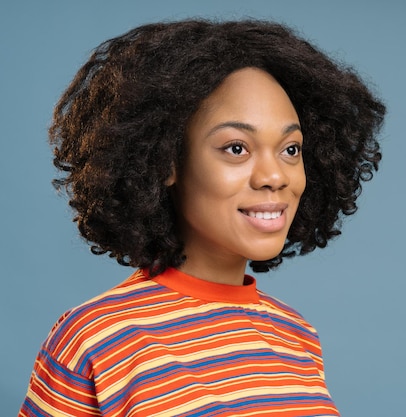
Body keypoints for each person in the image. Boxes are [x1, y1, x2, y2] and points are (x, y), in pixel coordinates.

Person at [19, 19, 385, 417]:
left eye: (290, 149)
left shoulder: (297, 336)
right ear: (166, 161)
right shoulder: (97, 338)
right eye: (235, 148)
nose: (274, 176)